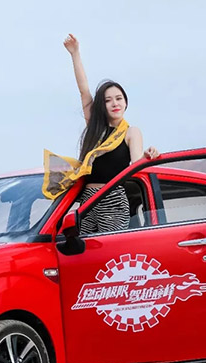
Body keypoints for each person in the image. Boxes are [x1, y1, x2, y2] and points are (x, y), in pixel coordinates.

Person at [63, 33, 159, 234]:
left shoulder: (131, 132)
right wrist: (75, 53)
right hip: (87, 200)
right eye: (108, 100)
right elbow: (84, 91)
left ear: (126, 102)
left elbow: (136, 164)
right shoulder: (96, 128)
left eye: (119, 98)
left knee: (108, 249)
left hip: (113, 199)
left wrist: (148, 155)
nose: (115, 103)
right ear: (102, 105)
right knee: (84, 250)